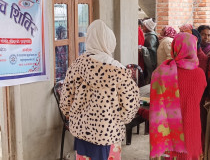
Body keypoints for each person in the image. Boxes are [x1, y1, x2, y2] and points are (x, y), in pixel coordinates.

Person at [59, 20, 140, 160]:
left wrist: (75, 116)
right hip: (109, 135)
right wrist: (117, 120)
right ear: (109, 42)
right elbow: (130, 106)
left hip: (82, 132)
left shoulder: (77, 66)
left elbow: (66, 101)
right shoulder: (119, 71)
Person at [149, 33, 207, 159]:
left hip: (167, 131)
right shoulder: (200, 74)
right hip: (192, 126)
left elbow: (155, 104)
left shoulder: (161, 73)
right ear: (193, 48)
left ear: (174, 48)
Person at [140, 18, 159, 84]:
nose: (143, 28)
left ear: (148, 28)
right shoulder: (148, 36)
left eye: (144, 26)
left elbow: (151, 52)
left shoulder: (151, 37)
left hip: (151, 62)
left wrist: (142, 48)